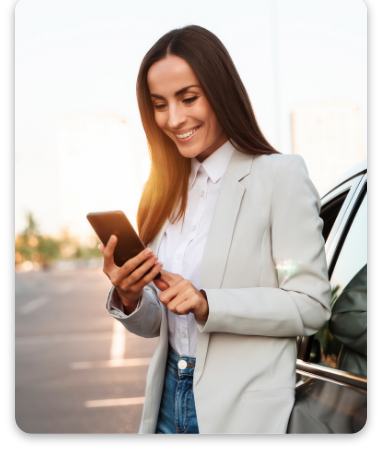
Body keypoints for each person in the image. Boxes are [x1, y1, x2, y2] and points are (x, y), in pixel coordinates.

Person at [98, 25, 331, 434]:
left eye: (188, 98)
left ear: (221, 91)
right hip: (168, 399)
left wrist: (209, 303)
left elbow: (309, 304)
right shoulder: (162, 193)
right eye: (159, 104)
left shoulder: (279, 178)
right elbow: (160, 323)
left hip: (244, 411)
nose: (174, 119)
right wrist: (131, 296)